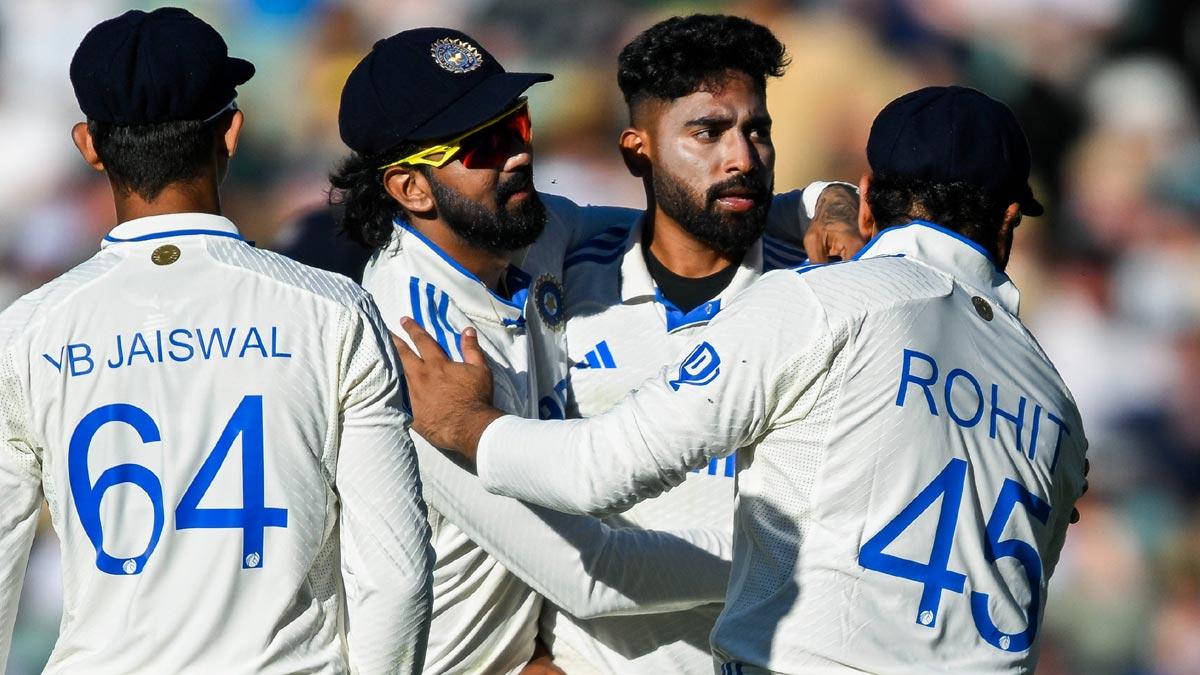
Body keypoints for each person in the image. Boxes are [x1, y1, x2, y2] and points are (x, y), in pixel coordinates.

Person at [396, 85, 1090, 673]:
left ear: (868, 195)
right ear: (1008, 223)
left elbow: (595, 472)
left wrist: (470, 425)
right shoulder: (1059, 406)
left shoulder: (822, 301)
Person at [0, 9, 433, 673]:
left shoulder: (28, 331)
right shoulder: (332, 309)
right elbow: (394, 577)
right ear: (231, 130)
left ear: (89, 145)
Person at [332, 28, 738, 675]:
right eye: (487, 145)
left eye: (517, 125)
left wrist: (815, 206)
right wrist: (794, 556)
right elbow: (593, 574)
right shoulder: (412, 349)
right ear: (410, 188)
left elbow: (687, 219)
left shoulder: (520, 229)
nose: (519, 154)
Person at [551, 14, 861, 674]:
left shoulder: (823, 293)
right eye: (708, 132)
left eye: (758, 130)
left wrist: (831, 199)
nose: (743, 158)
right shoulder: (568, 271)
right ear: (637, 150)